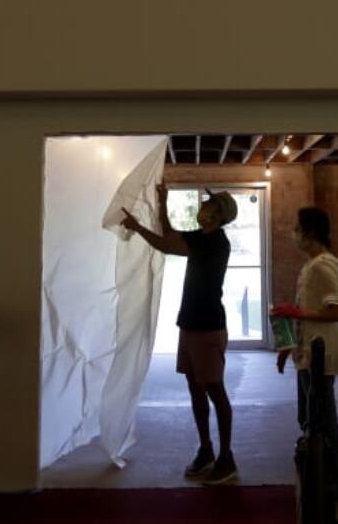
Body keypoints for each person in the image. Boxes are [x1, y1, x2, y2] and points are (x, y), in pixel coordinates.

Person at [121, 185, 238, 484]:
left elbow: (165, 245)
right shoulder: (202, 237)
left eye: (209, 205)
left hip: (208, 327)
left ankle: (227, 458)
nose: (204, 208)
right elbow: (171, 234)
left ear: (218, 215)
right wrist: (162, 202)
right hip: (189, 324)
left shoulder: (216, 243)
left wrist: (136, 227)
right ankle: (206, 450)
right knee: (195, 389)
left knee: (214, 390)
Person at [273, 207, 338, 521]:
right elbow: (304, 312)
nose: (294, 233)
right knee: (308, 420)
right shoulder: (310, 267)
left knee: (326, 425)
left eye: (297, 227)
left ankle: (337, 496)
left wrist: (298, 315)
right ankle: (316, 486)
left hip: (321, 357)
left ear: (311, 232)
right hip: (305, 355)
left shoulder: (323, 266)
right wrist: (287, 345)